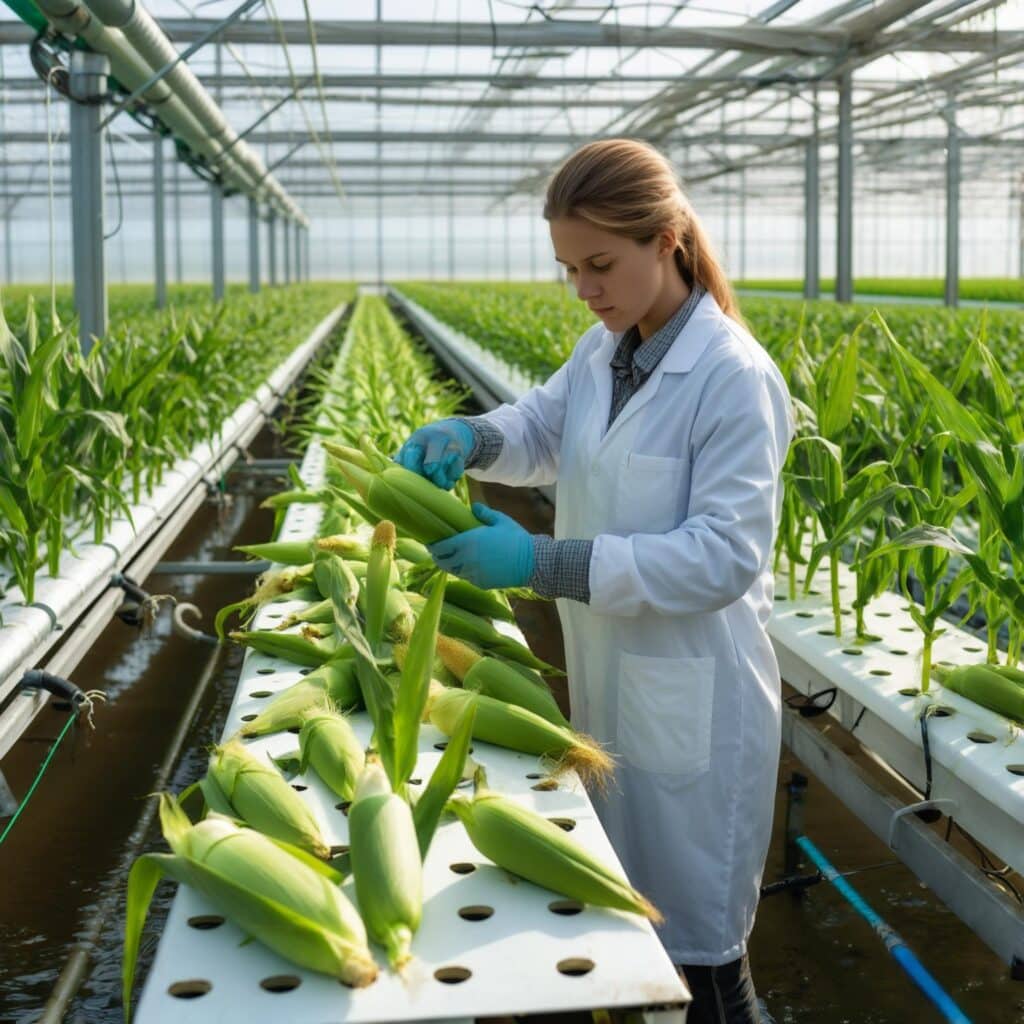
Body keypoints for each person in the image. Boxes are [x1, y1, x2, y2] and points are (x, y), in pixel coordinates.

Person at [396, 138, 793, 1024]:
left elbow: (722, 557)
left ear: (666, 240)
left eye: (601, 264)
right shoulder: (604, 347)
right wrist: (474, 438)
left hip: (695, 704)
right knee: (627, 945)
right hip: (616, 684)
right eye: (569, 268)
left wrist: (541, 564)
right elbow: (542, 428)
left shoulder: (732, 378)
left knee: (703, 970)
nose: (585, 287)